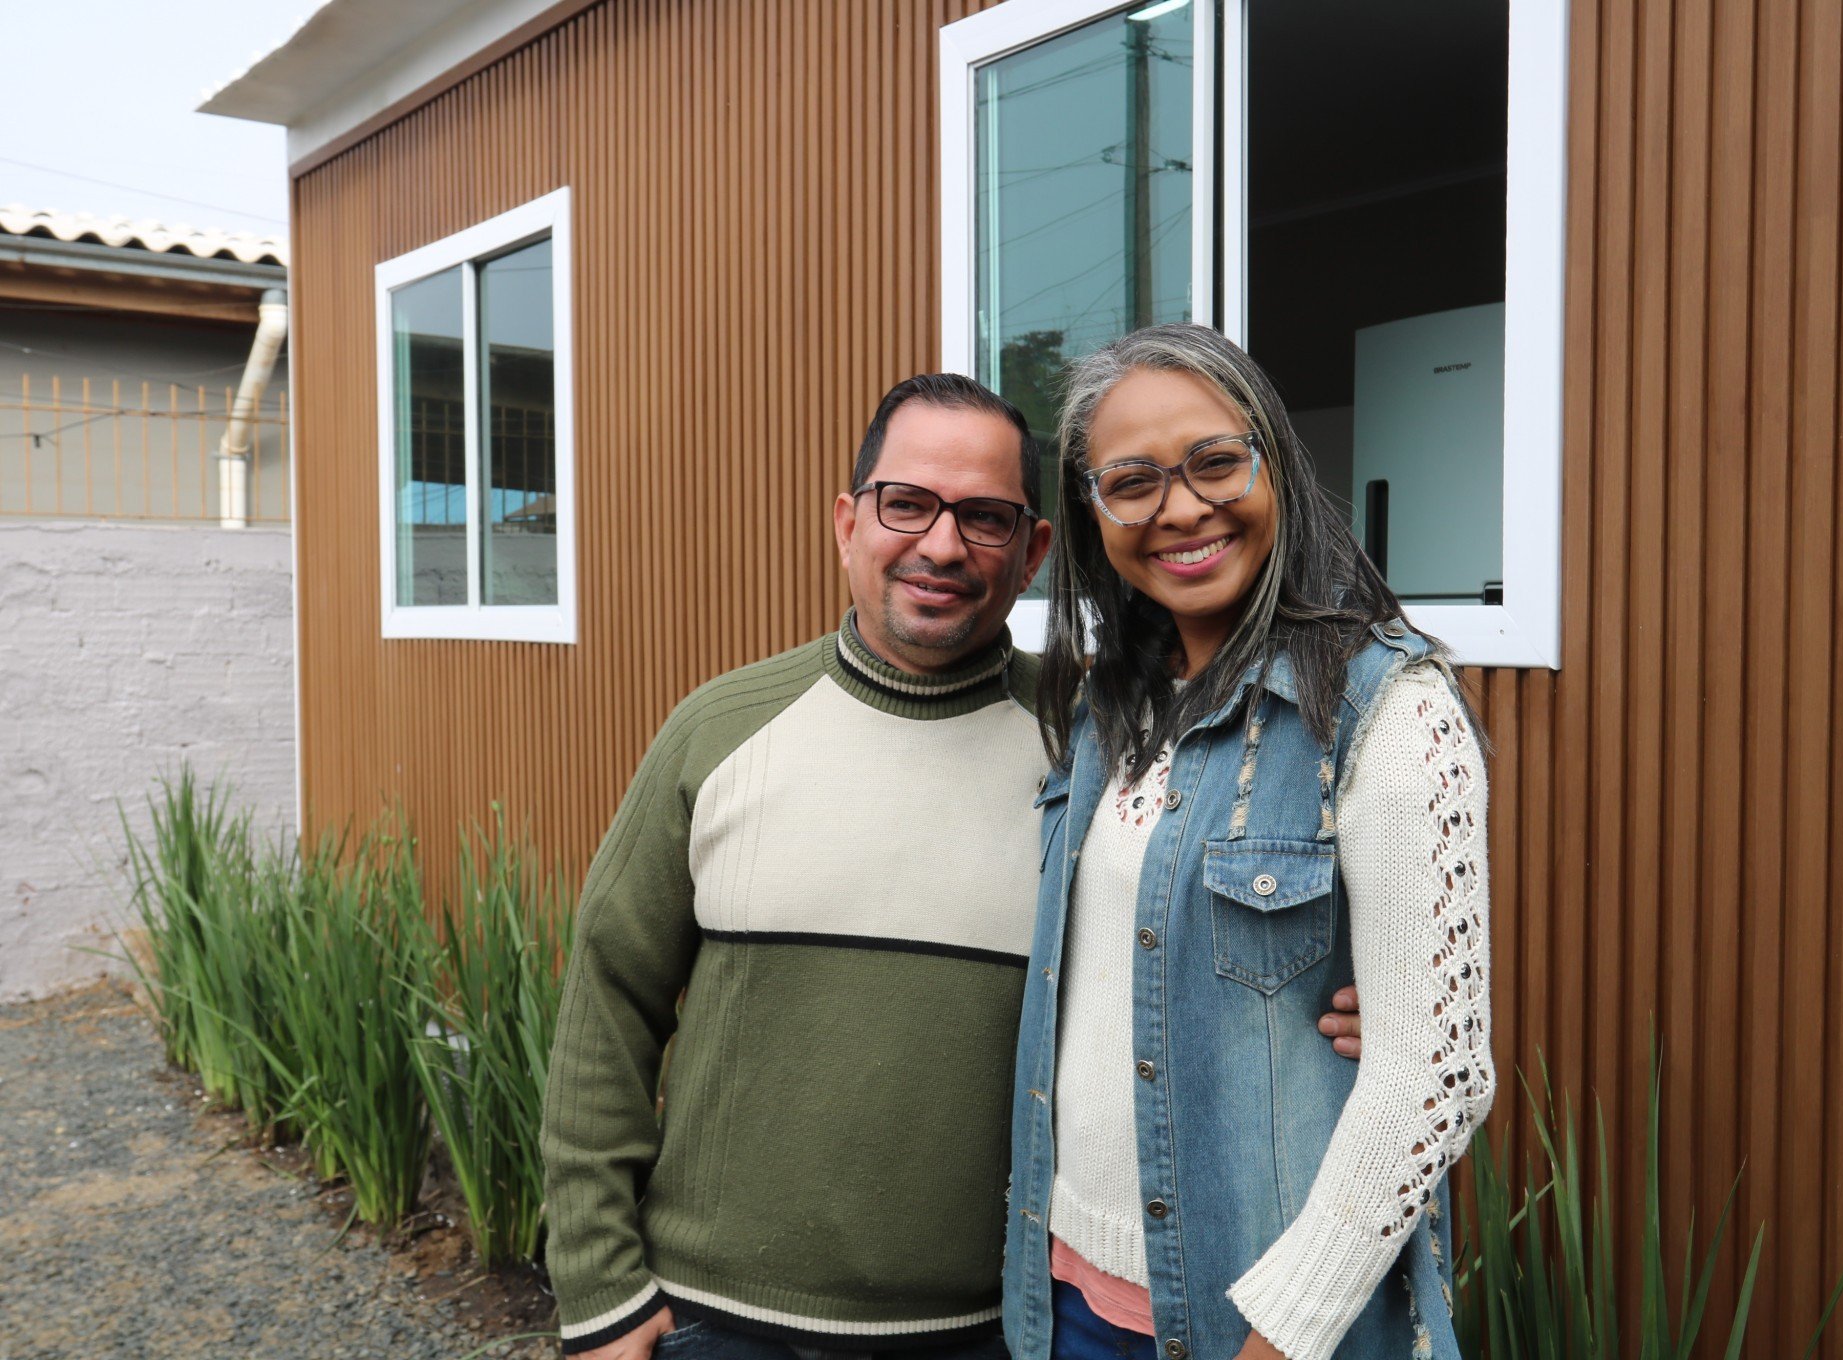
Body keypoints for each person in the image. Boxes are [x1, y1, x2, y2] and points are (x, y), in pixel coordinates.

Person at [539, 372, 1370, 1360]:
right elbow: (605, 1010)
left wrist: (1340, 996)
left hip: (987, 1330)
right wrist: (601, 1292)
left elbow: (1188, 937)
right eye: (907, 504)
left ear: (1033, 553)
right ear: (848, 520)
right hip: (717, 1322)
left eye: (984, 516)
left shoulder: (1096, 751)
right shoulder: (719, 731)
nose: (941, 545)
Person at [1004, 324, 1495, 1360]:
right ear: (1092, 516)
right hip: (1067, 1304)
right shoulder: (1107, 712)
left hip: (1258, 1325)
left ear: (1275, 461)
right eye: (1131, 481)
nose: (1181, 508)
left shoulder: (1390, 710)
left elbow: (1436, 1075)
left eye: (1216, 461)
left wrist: (1283, 1334)